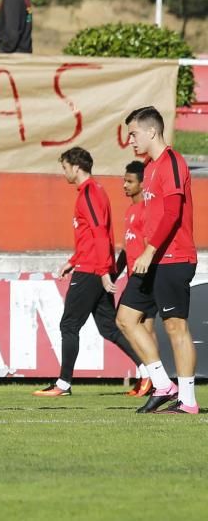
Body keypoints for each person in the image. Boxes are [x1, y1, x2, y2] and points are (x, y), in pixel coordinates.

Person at [33, 147, 143, 397]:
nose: (64, 173)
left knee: (69, 325)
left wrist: (104, 271)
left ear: (76, 167)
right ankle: (149, 372)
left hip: (92, 271)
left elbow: (99, 233)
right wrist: (73, 260)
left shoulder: (91, 192)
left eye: (64, 167)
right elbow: (89, 236)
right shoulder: (91, 192)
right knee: (109, 328)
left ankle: (63, 384)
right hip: (90, 266)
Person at [116, 106, 199, 414]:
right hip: (151, 260)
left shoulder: (172, 162)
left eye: (133, 133)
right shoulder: (148, 167)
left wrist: (149, 249)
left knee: (176, 327)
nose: (130, 139)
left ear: (152, 131)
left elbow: (173, 213)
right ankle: (163, 384)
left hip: (173, 258)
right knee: (125, 319)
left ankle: (188, 401)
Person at [117, 161, 156, 398]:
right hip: (134, 276)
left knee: (132, 326)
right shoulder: (130, 211)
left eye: (130, 181)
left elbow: (147, 245)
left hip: (145, 278)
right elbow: (127, 248)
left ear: (142, 184)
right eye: (125, 180)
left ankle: (151, 378)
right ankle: (150, 380)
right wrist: (115, 271)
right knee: (144, 329)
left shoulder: (146, 210)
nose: (125, 185)